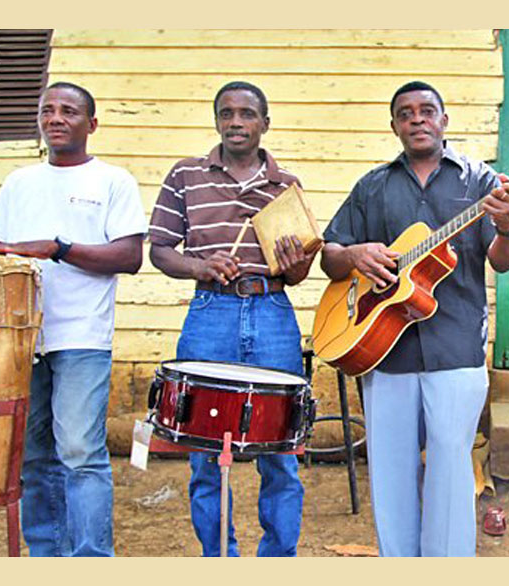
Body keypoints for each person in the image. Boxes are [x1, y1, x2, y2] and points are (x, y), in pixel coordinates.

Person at [320, 81, 509, 557]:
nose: (417, 119)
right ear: (394, 126)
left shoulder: (480, 181)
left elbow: (506, 259)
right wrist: (353, 254)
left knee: (452, 468)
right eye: (405, 113)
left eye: (426, 110)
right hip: (383, 348)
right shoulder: (372, 185)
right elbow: (329, 257)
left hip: (455, 345)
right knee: (389, 470)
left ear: (444, 121)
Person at [0, 82, 147, 556]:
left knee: (79, 454)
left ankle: (90, 558)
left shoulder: (113, 181)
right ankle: (47, 554)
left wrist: (60, 248)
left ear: (91, 125)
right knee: (33, 457)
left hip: (82, 337)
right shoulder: (19, 182)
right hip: (19, 340)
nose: (55, 118)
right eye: (47, 110)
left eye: (69, 111)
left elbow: (130, 256)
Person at [148, 81, 315, 557]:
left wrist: (292, 261)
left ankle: (276, 559)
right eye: (226, 114)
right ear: (216, 120)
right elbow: (159, 250)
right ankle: (219, 558)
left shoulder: (286, 187)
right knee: (205, 452)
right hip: (210, 313)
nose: (236, 122)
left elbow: (301, 274)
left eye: (246, 114)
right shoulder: (186, 175)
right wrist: (200, 266)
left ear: (265, 122)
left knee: (280, 451)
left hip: (272, 312)